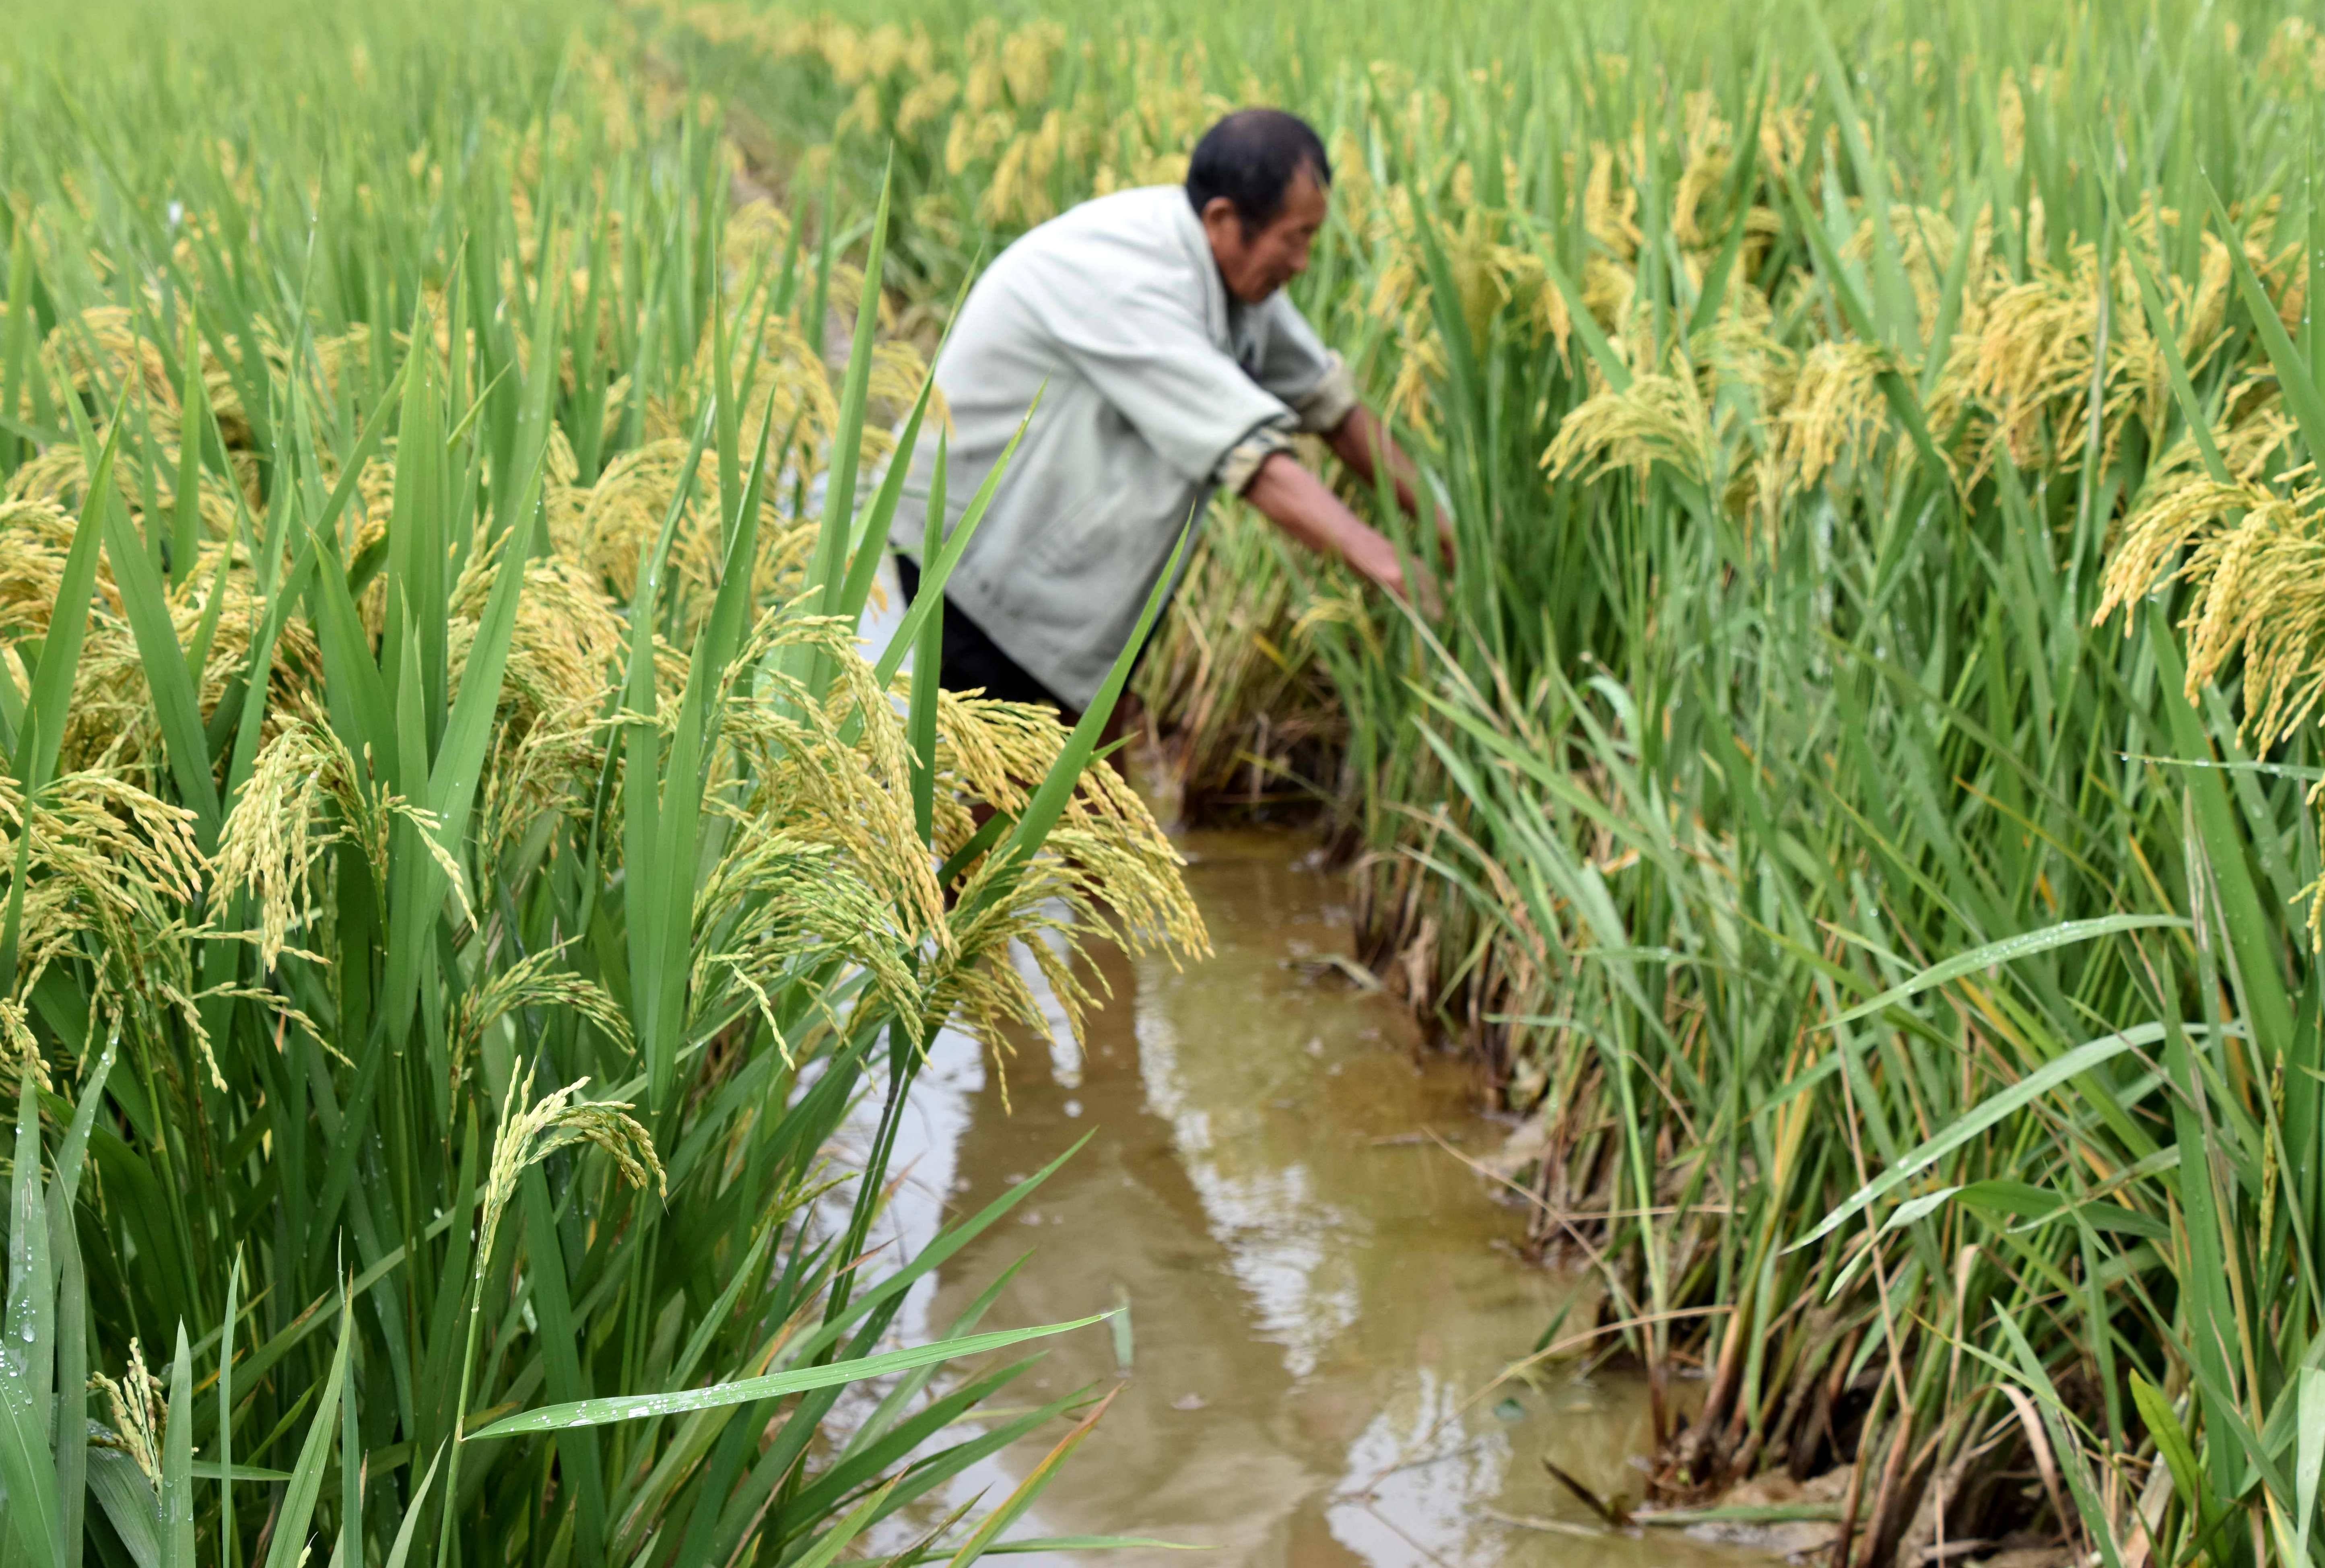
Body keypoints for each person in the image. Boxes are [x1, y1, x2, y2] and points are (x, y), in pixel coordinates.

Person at [889, 107, 1444, 731]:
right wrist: (1393, 569)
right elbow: (1250, 459)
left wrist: (1448, 534)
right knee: (1018, 791)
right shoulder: (1126, 274)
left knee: (1085, 785)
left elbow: (1331, 407)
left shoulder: (1235, 276)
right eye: (1296, 237)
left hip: (1068, 583)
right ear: (1225, 220)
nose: (1303, 262)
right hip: (972, 567)